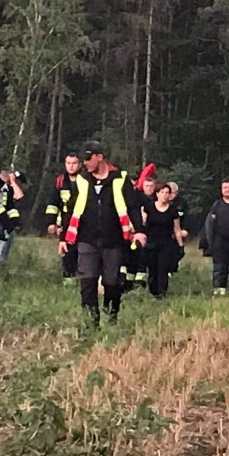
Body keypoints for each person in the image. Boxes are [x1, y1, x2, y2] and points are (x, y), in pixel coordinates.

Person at [60, 140, 145, 327]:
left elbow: (133, 207)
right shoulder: (82, 180)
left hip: (113, 240)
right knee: (88, 283)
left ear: (100, 157)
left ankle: (111, 316)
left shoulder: (120, 178)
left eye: (89, 158)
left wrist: (138, 231)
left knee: (112, 282)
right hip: (86, 239)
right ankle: (91, 321)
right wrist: (63, 238)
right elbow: (71, 209)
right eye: (84, 160)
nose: (86, 163)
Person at [45, 151, 81, 284]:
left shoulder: (85, 180)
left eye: (74, 163)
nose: (71, 166)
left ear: (80, 164)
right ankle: (68, 285)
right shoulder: (60, 181)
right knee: (67, 253)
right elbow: (53, 203)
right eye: (68, 163)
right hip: (66, 223)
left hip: (84, 222)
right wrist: (51, 222)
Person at [144, 183, 184, 298]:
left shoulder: (173, 210)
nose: (165, 195)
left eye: (167, 193)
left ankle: (162, 292)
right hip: (151, 243)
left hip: (166, 244)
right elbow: (142, 224)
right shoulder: (149, 208)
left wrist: (180, 245)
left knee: (163, 268)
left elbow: (177, 229)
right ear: (157, 194)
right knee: (153, 268)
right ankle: (153, 291)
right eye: (162, 192)